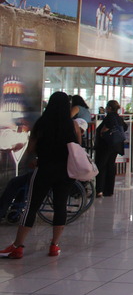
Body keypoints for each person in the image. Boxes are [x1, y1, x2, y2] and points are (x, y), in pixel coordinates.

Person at [0, 92, 82, 259]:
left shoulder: (42, 123)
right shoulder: (72, 125)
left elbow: (31, 149)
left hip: (44, 169)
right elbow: (77, 148)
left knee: (32, 205)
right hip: (66, 172)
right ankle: (54, 245)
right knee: (60, 206)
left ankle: (18, 246)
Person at [94, 100, 127, 198]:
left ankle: (99, 190)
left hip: (106, 145)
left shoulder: (110, 116)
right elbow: (125, 127)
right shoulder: (119, 118)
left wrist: (102, 132)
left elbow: (108, 126)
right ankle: (109, 190)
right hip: (116, 145)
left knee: (101, 165)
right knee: (110, 166)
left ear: (109, 108)